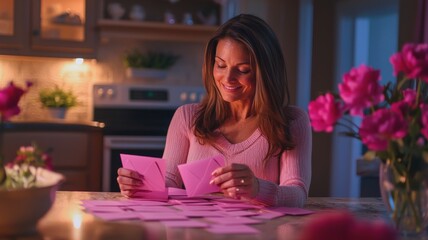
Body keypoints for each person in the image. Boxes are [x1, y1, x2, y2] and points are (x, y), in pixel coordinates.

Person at [117, 14, 312, 207]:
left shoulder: (292, 121)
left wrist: (257, 188)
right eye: (220, 65)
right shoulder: (187, 117)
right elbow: (169, 181)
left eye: (243, 70)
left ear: (266, 72)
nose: (227, 78)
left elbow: (297, 193)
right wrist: (141, 185)